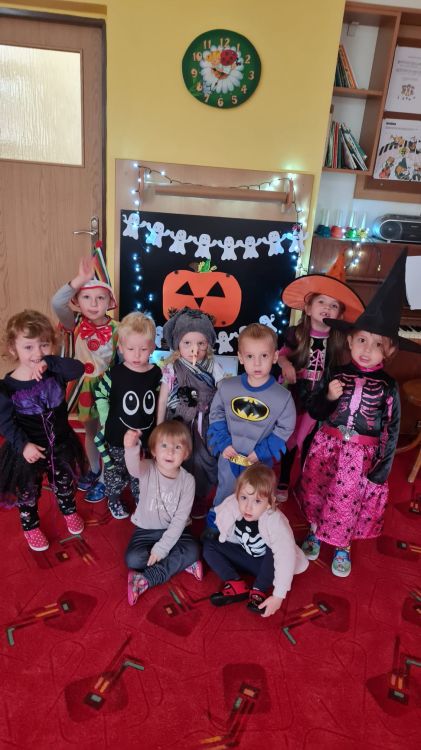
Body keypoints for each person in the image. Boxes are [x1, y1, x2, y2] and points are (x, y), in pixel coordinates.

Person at [295, 250, 421, 578]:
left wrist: (382, 469)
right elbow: (315, 410)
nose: (367, 349)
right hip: (327, 446)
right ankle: (315, 531)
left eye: (377, 344)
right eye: (361, 340)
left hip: (360, 456)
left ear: (389, 350)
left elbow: (391, 430)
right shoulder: (336, 373)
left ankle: (342, 545)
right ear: (350, 341)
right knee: (318, 490)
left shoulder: (389, 386)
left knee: (348, 498)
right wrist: (328, 395)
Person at [276, 251, 365, 499]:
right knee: (291, 438)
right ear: (308, 307)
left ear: (340, 315)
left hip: (322, 399)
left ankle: (306, 481)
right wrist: (286, 364)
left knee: (313, 439)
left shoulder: (338, 341)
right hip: (296, 395)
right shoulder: (296, 333)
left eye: (334, 305)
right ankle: (284, 478)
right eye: (322, 302)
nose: (327, 308)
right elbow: (281, 355)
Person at [0, 310, 86, 551]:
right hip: (28, 451)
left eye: (44, 345)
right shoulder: (7, 387)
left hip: (61, 444)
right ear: (13, 349)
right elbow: (5, 423)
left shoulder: (55, 371)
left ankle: (69, 511)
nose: (37, 353)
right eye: (28, 347)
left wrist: (52, 362)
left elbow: (79, 368)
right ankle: (30, 526)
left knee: (64, 482)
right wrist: (23, 445)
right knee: (28, 491)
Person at [205, 323, 296, 536]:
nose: (257, 363)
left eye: (264, 356)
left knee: (256, 498)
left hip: (258, 462)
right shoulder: (227, 387)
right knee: (225, 492)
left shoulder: (282, 397)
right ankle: (216, 528)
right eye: (250, 356)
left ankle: (250, 533)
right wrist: (224, 443)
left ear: (275, 356)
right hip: (230, 455)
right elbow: (216, 415)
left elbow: (285, 428)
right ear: (240, 357)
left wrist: (262, 451)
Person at [51, 254, 119, 502]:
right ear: (77, 301)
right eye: (86, 297)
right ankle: (94, 469)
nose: (93, 303)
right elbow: (56, 303)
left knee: (106, 436)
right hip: (84, 388)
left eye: (100, 297)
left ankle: (105, 481)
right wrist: (80, 279)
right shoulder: (74, 322)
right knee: (90, 432)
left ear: (109, 301)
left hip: (108, 389)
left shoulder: (118, 329)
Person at [203, 464, 308, 616]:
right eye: (244, 497)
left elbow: (285, 556)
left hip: (268, 567)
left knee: (273, 550)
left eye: (257, 501)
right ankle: (235, 582)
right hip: (247, 556)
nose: (248, 507)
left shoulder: (274, 521)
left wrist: (278, 596)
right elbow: (220, 515)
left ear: (270, 502)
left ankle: (259, 589)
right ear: (237, 494)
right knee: (209, 546)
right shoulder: (233, 504)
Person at [124, 420, 202, 605]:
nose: (170, 452)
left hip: (176, 532)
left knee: (194, 549)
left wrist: (162, 548)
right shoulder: (147, 467)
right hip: (146, 530)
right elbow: (133, 468)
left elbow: (180, 519)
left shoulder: (188, 481)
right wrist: (130, 447)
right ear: (153, 450)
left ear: (186, 454)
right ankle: (180, 563)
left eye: (177, 447)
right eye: (164, 445)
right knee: (133, 559)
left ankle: (145, 579)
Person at [157, 307, 225, 519]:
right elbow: (163, 399)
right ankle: (178, 499)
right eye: (187, 343)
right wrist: (159, 428)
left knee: (204, 460)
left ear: (208, 344)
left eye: (201, 343)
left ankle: (199, 497)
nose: (194, 349)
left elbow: (224, 391)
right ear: (177, 343)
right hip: (180, 422)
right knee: (180, 458)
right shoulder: (172, 368)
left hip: (206, 423)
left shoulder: (213, 366)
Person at [94, 312, 162, 519]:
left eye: (143, 349)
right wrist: (106, 420)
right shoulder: (114, 374)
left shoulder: (156, 374)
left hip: (145, 436)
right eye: (131, 349)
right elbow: (100, 394)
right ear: (121, 348)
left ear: (152, 348)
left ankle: (140, 497)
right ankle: (114, 498)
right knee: (115, 472)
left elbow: (160, 400)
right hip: (117, 436)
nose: (137, 355)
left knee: (141, 472)